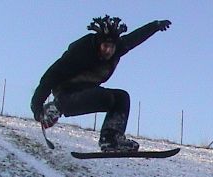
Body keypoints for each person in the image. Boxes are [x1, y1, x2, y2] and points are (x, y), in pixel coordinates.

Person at [31, 15, 171, 152]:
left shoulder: (118, 48)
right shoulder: (81, 51)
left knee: (121, 97)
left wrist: (155, 26)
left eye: (112, 47)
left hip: (88, 91)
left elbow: (135, 38)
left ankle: (111, 139)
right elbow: (50, 76)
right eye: (105, 46)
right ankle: (55, 107)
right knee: (104, 96)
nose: (108, 51)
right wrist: (37, 108)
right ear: (98, 44)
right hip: (67, 93)